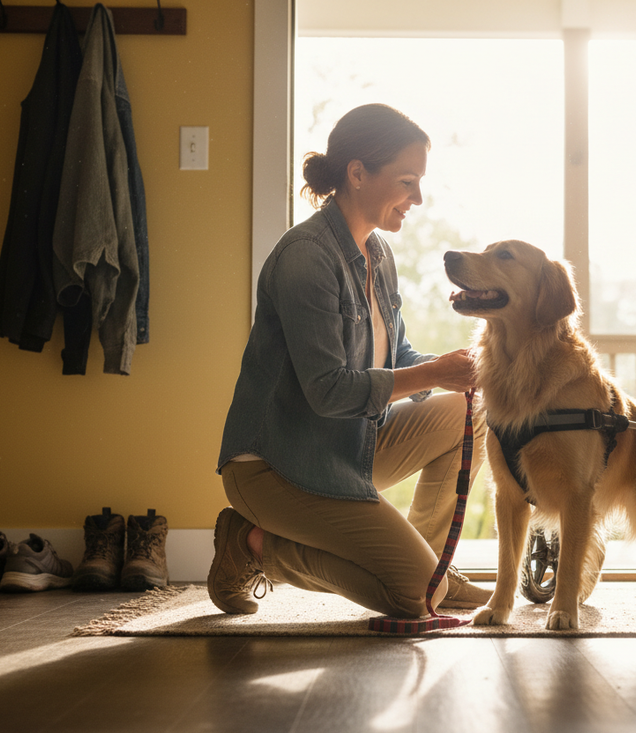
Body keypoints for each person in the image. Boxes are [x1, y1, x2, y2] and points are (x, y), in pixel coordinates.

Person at [210, 103, 491, 618]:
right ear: (357, 173)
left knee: (470, 408)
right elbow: (330, 390)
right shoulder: (306, 258)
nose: (418, 198)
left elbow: (398, 356)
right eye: (407, 181)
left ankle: (435, 564)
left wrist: (464, 371)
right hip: (276, 468)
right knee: (413, 598)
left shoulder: (377, 255)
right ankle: (249, 546)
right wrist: (433, 373)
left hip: (345, 448)